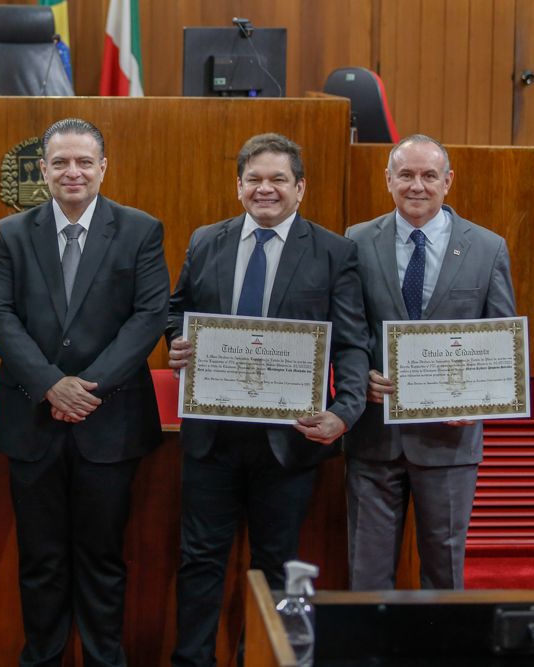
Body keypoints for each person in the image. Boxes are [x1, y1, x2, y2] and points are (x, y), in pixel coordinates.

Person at [166, 133, 368, 666]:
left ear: (300, 188)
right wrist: (177, 340)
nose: (265, 188)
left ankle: (259, 659)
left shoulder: (334, 252)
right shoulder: (206, 240)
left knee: (276, 566)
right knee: (198, 561)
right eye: (254, 178)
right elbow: (177, 309)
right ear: (238, 186)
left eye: (279, 179)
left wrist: (344, 411)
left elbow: (352, 343)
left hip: (289, 441)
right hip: (212, 437)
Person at [0, 118, 170, 667]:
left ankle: (104, 659)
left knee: (103, 559)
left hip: (109, 420)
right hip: (32, 420)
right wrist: (50, 385)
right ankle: (41, 658)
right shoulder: (11, 233)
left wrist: (87, 389)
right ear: (43, 170)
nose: (73, 172)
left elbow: (148, 316)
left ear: (103, 168)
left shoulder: (140, 230)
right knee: (39, 560)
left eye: (84, 162)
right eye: (61, 162)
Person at [344, 134, 516, 590]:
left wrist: (479, 400)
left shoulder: (487, 248)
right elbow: (348, 330)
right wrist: (360, 378)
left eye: (428, 175)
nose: (416, 185)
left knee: (444, 573)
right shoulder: (356, 241)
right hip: (374, 437)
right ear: (388, 180)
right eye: (405, 174)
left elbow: (500, 343)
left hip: (449, 441)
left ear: (448, 181)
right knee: (366, 575)